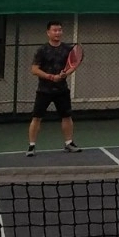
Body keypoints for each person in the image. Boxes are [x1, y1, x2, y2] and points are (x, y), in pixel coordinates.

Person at [27, 20, 82, 156]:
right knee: (36, 118)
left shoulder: (68, 49)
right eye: (55, 30)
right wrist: (51, 77)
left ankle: (69, 143)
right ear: (48, 33)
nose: (58, 33)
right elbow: (34, 69)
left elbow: (74, 65)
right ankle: (31, 146)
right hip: (44, 90)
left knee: (66, 116)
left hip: (62, 90)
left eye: (60, 30)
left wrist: (65, 74)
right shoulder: (42, 50)